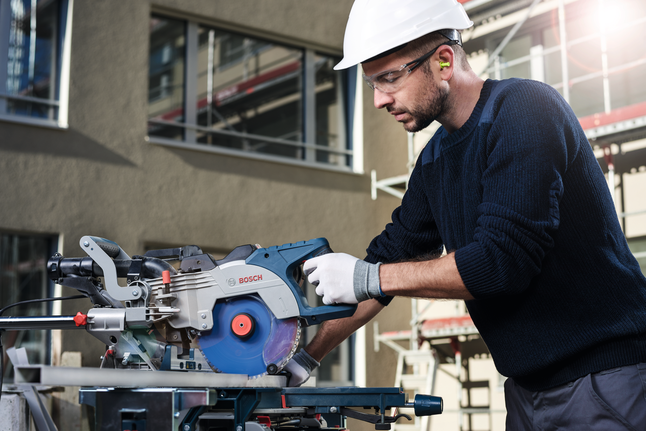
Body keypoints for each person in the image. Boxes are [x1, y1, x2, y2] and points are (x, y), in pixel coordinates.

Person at [285, 0, 646, 428]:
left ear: (442, 61)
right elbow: (380, 268)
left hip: (604, 381)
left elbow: (501, 263)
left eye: (390, 78)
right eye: (372, 84)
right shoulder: (436, 160)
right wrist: (302, 361)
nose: (380, 99)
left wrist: (369, 278)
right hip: (527, 392)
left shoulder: (525, 110)